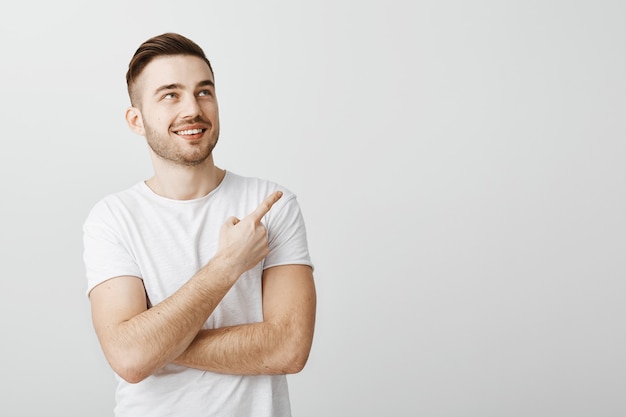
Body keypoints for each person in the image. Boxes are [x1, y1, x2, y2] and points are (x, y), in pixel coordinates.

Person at [82, 32, 316, 417]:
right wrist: (228, 265)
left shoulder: (271, 205)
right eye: (170, 94)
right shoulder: (112, 218)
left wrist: (156, 345)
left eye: (203, 92)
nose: (193, 108)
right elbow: (128, 358)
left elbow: (289, 348)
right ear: (136, 120)